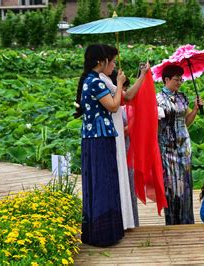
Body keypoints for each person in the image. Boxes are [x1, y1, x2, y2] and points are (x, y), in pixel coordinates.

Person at [74, 44, 126, 246]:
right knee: (104, 182)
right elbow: (113, 106)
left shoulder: (88, 80)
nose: (109, 63)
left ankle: (96, 232)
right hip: (100, 136)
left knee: (98, 182)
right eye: (107, 60)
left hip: (92, 137)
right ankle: (104, 234)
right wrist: (119, 83)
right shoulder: (95, 82)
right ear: (99, 62)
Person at [99, 62, 149, 229]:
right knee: (122, 183)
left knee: (128, 184)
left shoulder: (118, 95)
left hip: (126, 147)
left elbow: (128, 97)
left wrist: (142, 74)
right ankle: (121, 221)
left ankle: (130, 220)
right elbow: (124, 100)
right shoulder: (103, 87)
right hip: (117, 146)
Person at [156, 64, 203, 225]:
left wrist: (195, 109)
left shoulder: (183, 97)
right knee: (172, 185)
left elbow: (185, 122)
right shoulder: (157, 99)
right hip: (167, 147)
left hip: (184, 146)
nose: (179, 82)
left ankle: (187, 221)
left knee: (186, 185)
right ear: (166, 79)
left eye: (181, 79)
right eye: (176, 79)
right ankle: (173, 222)